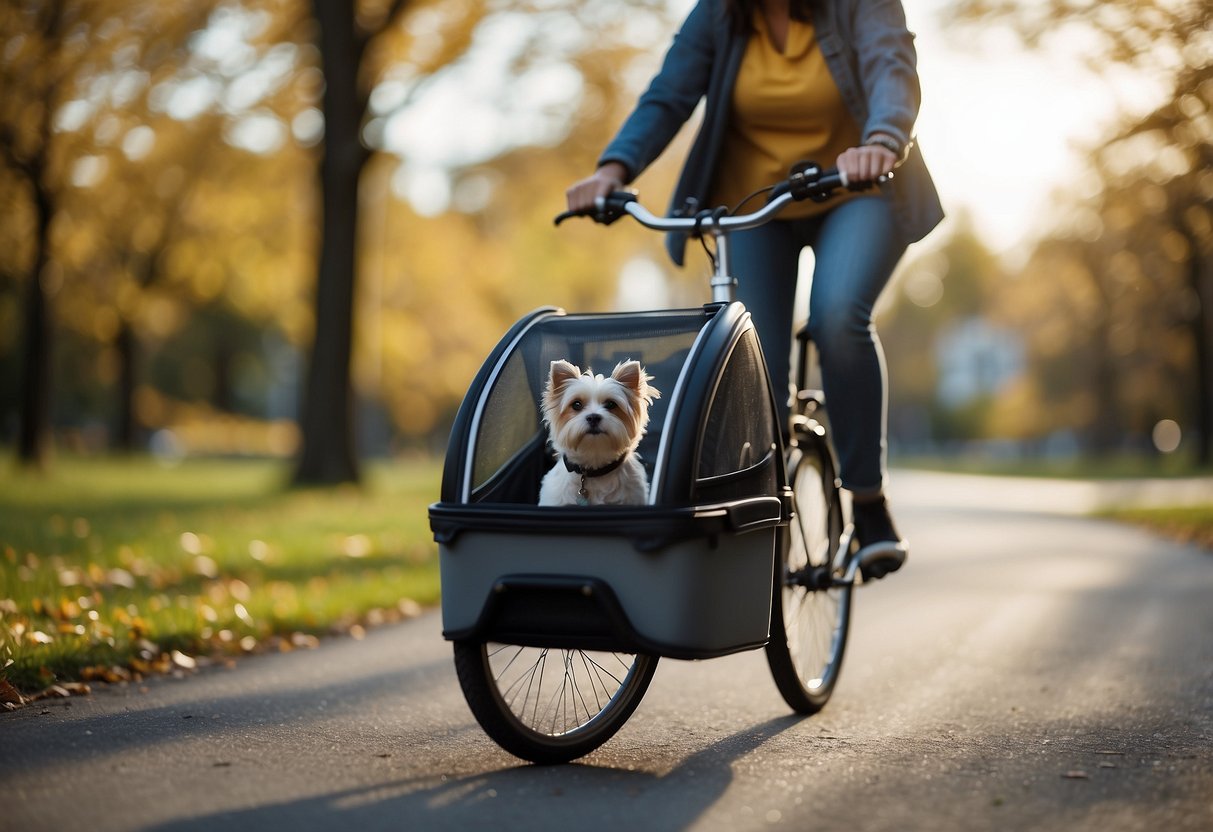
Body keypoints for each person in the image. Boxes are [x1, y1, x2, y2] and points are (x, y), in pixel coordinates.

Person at [565, 0, 944, 579]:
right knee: (749, 363)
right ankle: (758, 514)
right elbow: (669, 95)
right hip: (754, 203)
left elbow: (891, 66)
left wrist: (884, 138)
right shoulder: (719, 13)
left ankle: (868, 502)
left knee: (839, 313)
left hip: (860, 185)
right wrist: (613, 171)